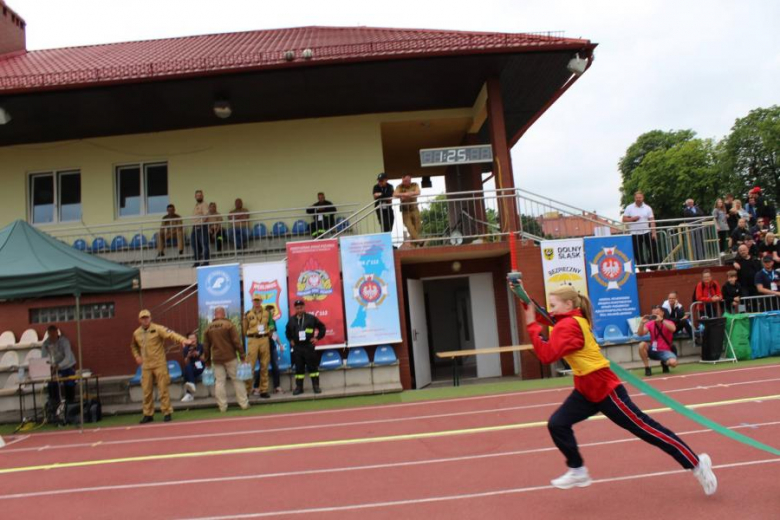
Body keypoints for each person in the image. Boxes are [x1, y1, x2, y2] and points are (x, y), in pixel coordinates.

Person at [514, 283, 716, 494]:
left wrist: (531, 324)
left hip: (605, 388)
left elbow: (547, 355)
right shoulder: (569, 319)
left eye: (554, 304)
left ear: (568, 304)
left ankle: (697, 463)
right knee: (557, 424)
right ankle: (577, 469)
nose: (551, 309)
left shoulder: (569, 325)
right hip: (585, 390)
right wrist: (524, 298)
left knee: (647, 429)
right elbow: (547, 317)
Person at [130, 309, 193, 423]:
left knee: (163, 388)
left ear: (150, 318)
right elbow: (133, 346)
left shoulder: (157, 328)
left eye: (147, 317)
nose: (145, 320)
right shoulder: (136, 333)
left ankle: (167, 411)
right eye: (143, 318)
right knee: (146, 391)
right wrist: (136, 356)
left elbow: (171, 334)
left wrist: (183, 340)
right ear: (139, 320)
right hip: (146, 365)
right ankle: (148, 414)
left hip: (159, 363)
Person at [202, 307, 250, 412]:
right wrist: (242, 355)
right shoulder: (229, 325)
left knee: (219, 382)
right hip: (230, 357)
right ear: (224, 314)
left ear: (215, 315)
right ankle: (244, 404)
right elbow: (236, 341)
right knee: (237, 380)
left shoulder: (208, 328)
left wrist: (207, 362)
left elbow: (206, 347)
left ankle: (222, 407)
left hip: (217, 359)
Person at [286, 299, 326, 395]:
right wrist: (290, 340)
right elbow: (287, 332)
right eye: (297, 308)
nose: (299, 310)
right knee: (299, 368)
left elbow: (322, 328)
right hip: (298, 347)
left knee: (313, 368)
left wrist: (317, 338)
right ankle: (299, 388)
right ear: (295, 309)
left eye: (301, 308)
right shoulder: (291, 320)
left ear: (304, 307)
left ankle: (316, 386)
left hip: (308, 346)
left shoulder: (311, 318)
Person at [243, 294, 272, 398]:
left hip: (264, 339)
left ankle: (263, 390)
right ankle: (247, 390)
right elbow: (244, 329)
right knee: (249, 366)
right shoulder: (248, 314)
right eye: (255, 301)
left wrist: (270, 332)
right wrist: (252, 334)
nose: (256, 302)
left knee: (264, 365)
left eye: (258, 300)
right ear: (252, 301)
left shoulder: (267, 313)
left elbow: (271, 325)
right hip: (253, 339)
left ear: (261, 301)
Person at [637, 305, 678, 376]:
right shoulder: (650, 323)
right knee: (641, 344)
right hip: (653, 350)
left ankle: (665, 363)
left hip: (665, 351)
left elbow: (673, 329)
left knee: (673, 363)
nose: (655, 316)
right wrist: (642, 323)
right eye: (654, 314)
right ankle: (647, 367)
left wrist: (662, 320)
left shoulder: (668, 322)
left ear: (662, 313)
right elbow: (640, 334)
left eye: (657, 313)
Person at [41, 325, 77, 403]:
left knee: (69, 383)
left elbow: (68, 358)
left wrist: (59, 366)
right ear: (48, 334)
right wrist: (49, 367)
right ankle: (54, 404)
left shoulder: (64, 341)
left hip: (68, 365)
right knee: (52, 384)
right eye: (50, 334)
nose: (52, 336)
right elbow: (43, 358)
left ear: (57, 333)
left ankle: (70, 403)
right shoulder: (46, 344)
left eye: (54, 334)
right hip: (55, 367)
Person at [621, 191, 657, 268]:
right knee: (637, 252)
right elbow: (624, 219)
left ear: (643, 198)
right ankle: (642, 267)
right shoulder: (629, 207)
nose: (638, 199)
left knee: (653, 249)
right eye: (637, 198)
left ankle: (653, 266)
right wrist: (632, 219)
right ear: (634, 198)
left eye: (640, 198)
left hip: (647, 232)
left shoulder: (648, 208)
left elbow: (652, 220)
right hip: (635, 233)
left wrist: (654, 233)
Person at [394, 174, 422, 245]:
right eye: (403, 181)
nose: (404, 182)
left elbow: (418, 192)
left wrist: (409, 194)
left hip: (414, 209)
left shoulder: (415, 184)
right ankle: (420, 241)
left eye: (406, 181)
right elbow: (395, 194)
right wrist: (405, 195)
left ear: (410, 180)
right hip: (405, 210)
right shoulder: (399, 186)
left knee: (418, 227)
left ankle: (414, 245)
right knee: (409, 227)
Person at [181, 332, 204, 403]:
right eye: (190, 338)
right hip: (191, 366)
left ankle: (189, 393)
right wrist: (188, 356)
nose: (192, 340)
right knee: (188, 368)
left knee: (187, 373)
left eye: (194, 338)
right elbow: (186, 362)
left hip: (200, 365)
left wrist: (198, 354)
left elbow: (205, 359)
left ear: (196, 338)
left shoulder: (201, 346)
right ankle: (192, 385)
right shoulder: (186, 348)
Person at [191, 190, 210, 267]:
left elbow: (206, 215)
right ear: (195, 197)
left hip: (201, 227)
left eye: (200, 195)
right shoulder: (196, 205)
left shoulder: (204, 204)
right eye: (197, 195)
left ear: (202, 196)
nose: (199, 197)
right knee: (194, 245)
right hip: (195, 227)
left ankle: (206, 262)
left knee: (204, 244)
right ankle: (197, 261)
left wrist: (201, 224)